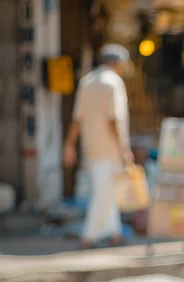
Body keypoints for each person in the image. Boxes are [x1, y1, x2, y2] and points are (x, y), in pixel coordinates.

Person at [63, 44, 133, 249]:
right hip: (109, 149)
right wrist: (123, 148)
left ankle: (115, 234)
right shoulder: (113, 84)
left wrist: (70, 145)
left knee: (106, 190)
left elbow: (77, 118)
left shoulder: (87, 81)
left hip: (91, 147)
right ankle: (89, 236)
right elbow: (114, 120)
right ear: (117, 63)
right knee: (104, 192)